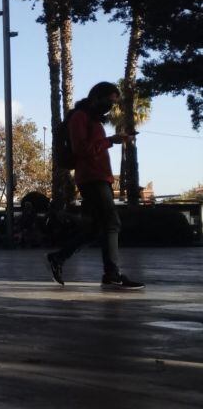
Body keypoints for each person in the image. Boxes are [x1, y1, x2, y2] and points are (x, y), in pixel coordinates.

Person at [47, 81, 144, 289]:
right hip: (92, 178)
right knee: (112, 222)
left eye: (113, 103)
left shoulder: (94, 120)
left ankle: (58, 258)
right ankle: (112, 274)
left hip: (101, 178)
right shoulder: (80, 117)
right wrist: (111, 141)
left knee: (95, 229)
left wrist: (113, 140)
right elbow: (81, 149)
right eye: (109, 101)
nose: (110, 106)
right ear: (96, 97)